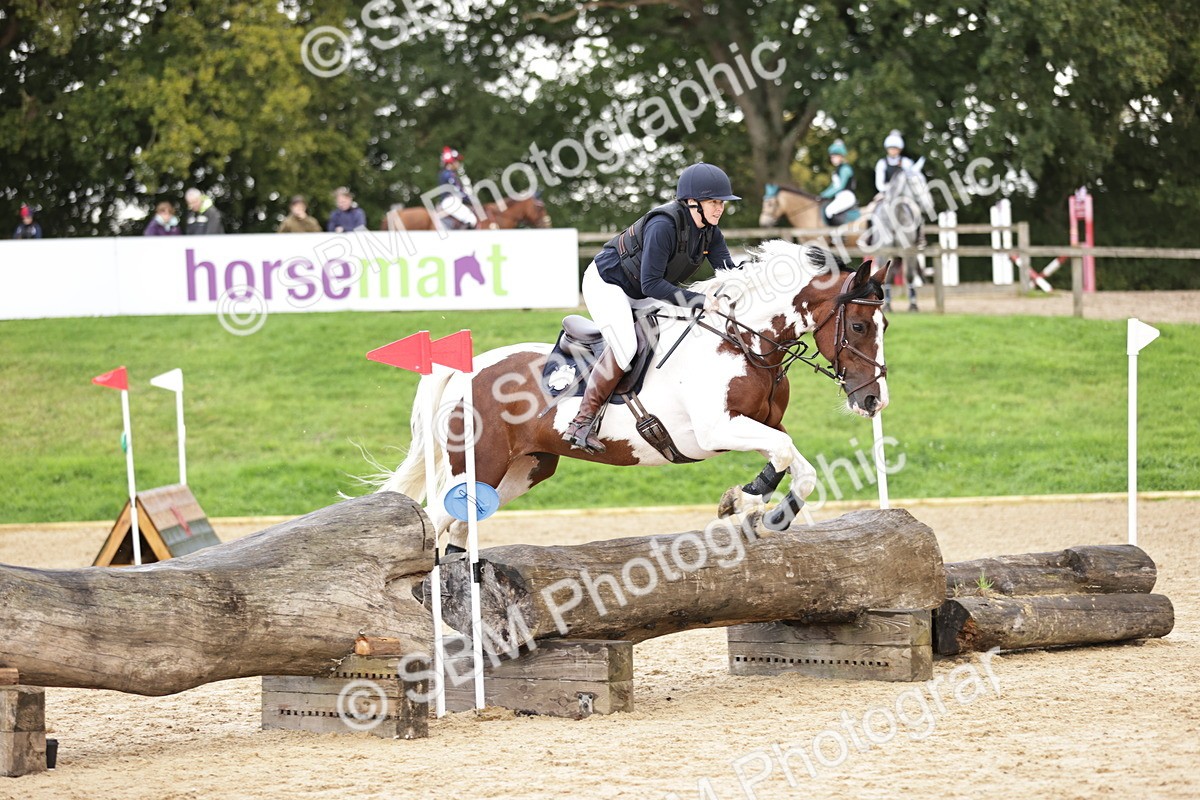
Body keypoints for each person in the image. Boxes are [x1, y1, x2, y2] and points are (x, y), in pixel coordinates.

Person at [563, 162, 740, 454]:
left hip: (644, 289)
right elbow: (652, 286)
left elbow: (727, 273)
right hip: (608, 284)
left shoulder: (711, 232)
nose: (719, 208)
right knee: (627, 346)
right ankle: (581, 422)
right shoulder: (664, 225)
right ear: (691, 202)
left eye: (721, 202)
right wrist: (699, 301)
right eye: (713, 202)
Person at [818, 139, 860, 226]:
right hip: (839, 196)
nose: (832, 159)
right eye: (831, 157)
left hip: (846, 196)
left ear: (841, 156)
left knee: (829, 211)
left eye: (835, 156)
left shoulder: (845, 169)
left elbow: (840, 186)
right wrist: (822, 195)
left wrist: (826, 195)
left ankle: (838, 234)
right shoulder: (836, 170)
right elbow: (833, 186)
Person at [435, 147, 478, 229]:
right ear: (451, 162)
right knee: (472, 220)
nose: (458, 163)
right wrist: (470, 199)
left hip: (453, 201)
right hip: (451, 202)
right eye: (456, 161)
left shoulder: (447, 173)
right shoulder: (448, 174)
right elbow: (458, 190)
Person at [874, 130, 916, 197]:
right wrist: (891, 188)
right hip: (887, 193)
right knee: (874, 205)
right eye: (891, 148)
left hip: (904, 193)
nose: (893, 150)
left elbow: (911, 179)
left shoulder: (906, 162)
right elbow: (879, 184)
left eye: (895, 148)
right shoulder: (881, 163)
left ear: (900, 149)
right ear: (887, 149)